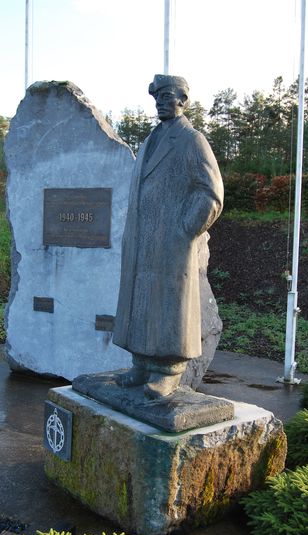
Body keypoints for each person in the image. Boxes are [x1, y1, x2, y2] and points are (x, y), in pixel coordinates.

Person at [113, 74, 224, 399]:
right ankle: (142, 365)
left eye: (167, 95)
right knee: (142, 303)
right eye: (157, 96)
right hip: (142, 242)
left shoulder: (192, 140)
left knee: (169, 307)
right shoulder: (149, 141)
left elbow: (211, 192)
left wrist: (185, 229)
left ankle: (167, 373)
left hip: (171, 243)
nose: (161, 101)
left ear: (182, 101)